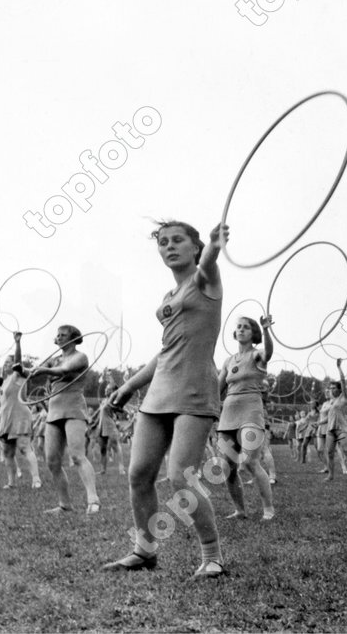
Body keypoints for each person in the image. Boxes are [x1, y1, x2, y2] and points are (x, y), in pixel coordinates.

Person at [103, 221, 228, 579]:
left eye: (177, 241)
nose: (169, 247)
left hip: (195, 390)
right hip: (159, 391)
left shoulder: (207, 281)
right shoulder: (166, 298)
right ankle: (144, 551)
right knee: (139, 473)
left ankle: (213, 557)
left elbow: (209, 265)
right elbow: (165, 351)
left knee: (180, 477)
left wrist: (215, 247)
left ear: (195, 247)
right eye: (162, 242)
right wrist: (128, 386)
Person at [28, 325, 100, 514]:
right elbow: (32, 371)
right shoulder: (54, 360)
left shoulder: (79, 357)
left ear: (74, 338)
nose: (59, 337)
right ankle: (64, 504)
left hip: (73, 408)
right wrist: (23, 369)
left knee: (77, 455)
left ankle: (93, 500)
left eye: (63, 335)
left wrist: (43, 370)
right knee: (52, 461)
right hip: (54, 411)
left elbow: (64, 370)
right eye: (57, 335)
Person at [216, 314, 276, 521]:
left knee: (251, 462)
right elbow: (217, 389)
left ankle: (268, 509)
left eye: (246, 327)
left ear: (253, 333)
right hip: (228, 414)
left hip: (251, 411)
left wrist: (266, 329)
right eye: (238, 327)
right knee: (228, 466)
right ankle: (240, 510)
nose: (241, 329)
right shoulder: (228, 361)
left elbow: (268, 352)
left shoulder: (257, 355)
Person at [0, 335, 42, 489]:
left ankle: (36, 479)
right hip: (6, 419)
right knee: (7, 453)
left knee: (25, 448)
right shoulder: (5, 382)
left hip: (20, 417)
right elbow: (2, 400)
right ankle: (11, 482)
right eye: (5, 363)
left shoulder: (17, 376)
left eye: (9, 362)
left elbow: (18, 362)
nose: (6, 364)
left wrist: (17, 343)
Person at [324, 359, 347, 482]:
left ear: (339, 390)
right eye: (331, 388)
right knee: (329, 453)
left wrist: (339, 368)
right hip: (330, 430)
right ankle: (330, 475)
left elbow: (343, 382)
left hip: (341, 430)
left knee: (346, 450)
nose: (332, 390)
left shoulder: (343, 398)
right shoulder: (330, 401)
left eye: (334, 388)